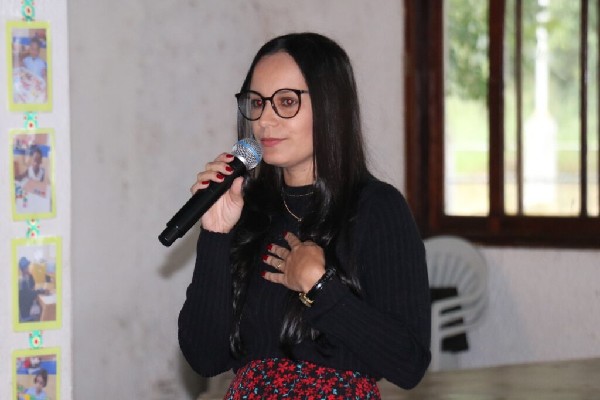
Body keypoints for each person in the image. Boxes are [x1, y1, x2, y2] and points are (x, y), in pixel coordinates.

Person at [178, 32, 431, 399]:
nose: (264, 120)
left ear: (330, 106)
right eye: (257, 102)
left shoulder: (377, 208)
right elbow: (205, 357)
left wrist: (321, 288)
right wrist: (216, 234)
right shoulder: (246, 210)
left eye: (285, 102)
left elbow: (409, 363)